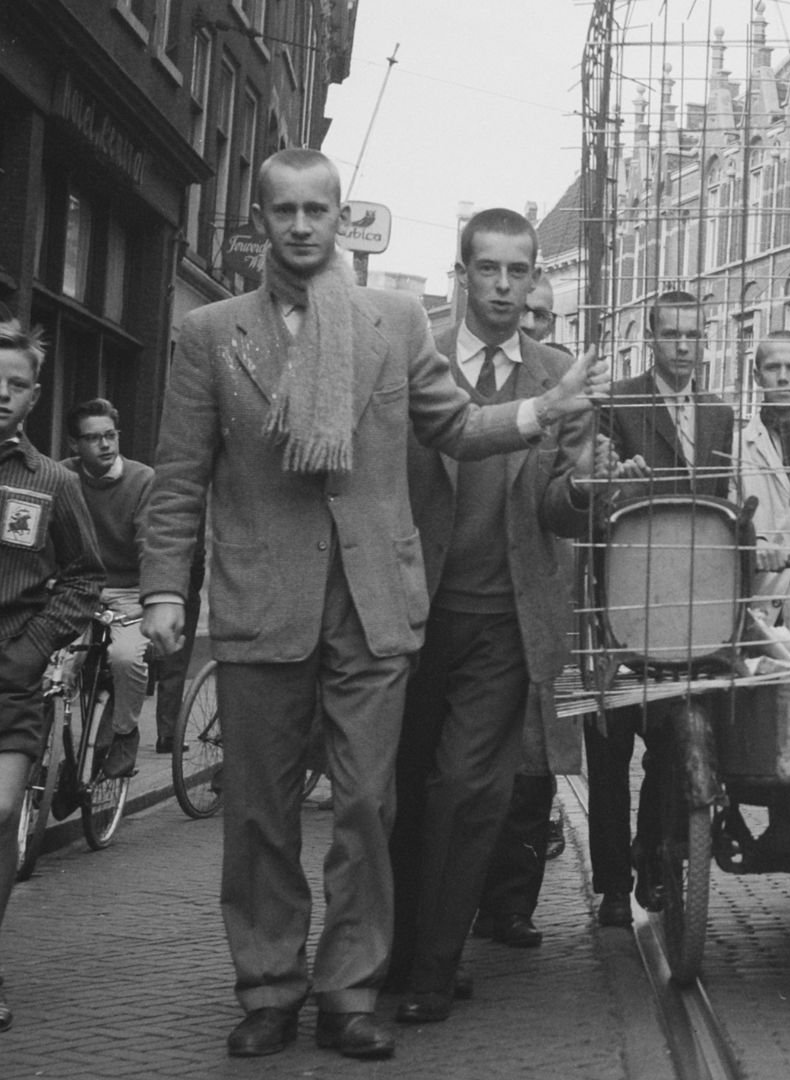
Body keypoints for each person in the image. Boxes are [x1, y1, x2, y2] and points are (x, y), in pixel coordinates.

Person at [139, 149, 607, 1060]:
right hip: (263, 600)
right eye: (285, 211)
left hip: (373, 602)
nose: (301, 226)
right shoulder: (212, 334)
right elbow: (180, 475)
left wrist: (540, 414)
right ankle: (269, 986)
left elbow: (455, 427)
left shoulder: (392, 323)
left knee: (365, 806)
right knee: (260, 813)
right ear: (260, 221)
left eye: (317, 210)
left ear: (337, 215)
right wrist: (164, 588)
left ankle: (349, 991)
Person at [386, 210, 595, 1023]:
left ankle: (433, 972)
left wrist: (585, 489)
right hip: (411, 612)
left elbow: (557, 505)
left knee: (467, 789)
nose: (504, 287)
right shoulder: (417, 354)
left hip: (506, 618)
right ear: (462, 273)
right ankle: (397, 953)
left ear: (535, 276)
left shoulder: (558, 374)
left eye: (518, 271)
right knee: (401, 789)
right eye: (489, 269)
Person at [583, 291, 735, 928]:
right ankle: (613, 887)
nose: (682, 345)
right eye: (671, 333)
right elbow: (595, 494)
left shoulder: (720, 414)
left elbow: (723, 503)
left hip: (690, 602)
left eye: (693, 334)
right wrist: (620, 481)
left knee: (674, 743)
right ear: (651, 338)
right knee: (609, 749)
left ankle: (651, 857)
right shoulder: (619, 402)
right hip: (625, 595)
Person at [0, 319, 105, 1034]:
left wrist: (32, 647)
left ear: (34, 397)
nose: (1, 393)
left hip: (10, 673)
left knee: (2, 811)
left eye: (16, 384)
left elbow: (84, 577)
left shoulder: (53, 482)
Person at [473, 271, 575, 947]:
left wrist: (587, 486)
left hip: (535, 589)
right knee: (466, 765)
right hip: (467, 589)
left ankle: (512, 904)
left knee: (533, 762)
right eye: (526, 313)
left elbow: (566, 494)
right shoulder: (451, 369)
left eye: (543, 316)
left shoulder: (561, 378)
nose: (532, 325)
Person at [59, 399, 153, 779]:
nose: (105, 444)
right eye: (93, 438)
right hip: (77, 587)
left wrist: (153, 596)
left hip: (129, 591)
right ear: (74, 444)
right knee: (55, 661)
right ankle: (48, 747)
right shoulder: (62, 476)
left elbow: (151, 544)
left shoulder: (142, 480)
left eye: (110, 435)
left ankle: (124, 733)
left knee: (125, 658)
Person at [735, 330, 790, 648]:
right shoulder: (735, 449)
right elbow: (727, 527)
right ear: (757, 376)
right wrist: (753, 542)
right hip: (759, 608)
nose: (783, 377)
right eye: (773, 368)